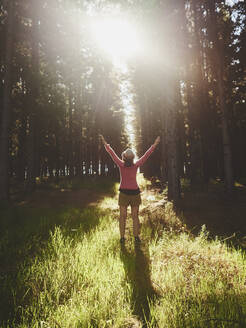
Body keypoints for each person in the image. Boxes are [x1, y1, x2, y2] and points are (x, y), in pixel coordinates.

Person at [100, 134, 160, 243]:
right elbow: (146, 155)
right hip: (135, 193)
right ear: (132, 158)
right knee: (135, 217)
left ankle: (122, 238)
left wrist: (105, 143)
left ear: (124, 157)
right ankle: (136, 238)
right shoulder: (136, 165)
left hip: (123, 193)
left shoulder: (120, 164)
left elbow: (112, 153)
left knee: (122, 217)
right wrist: (154, 145)